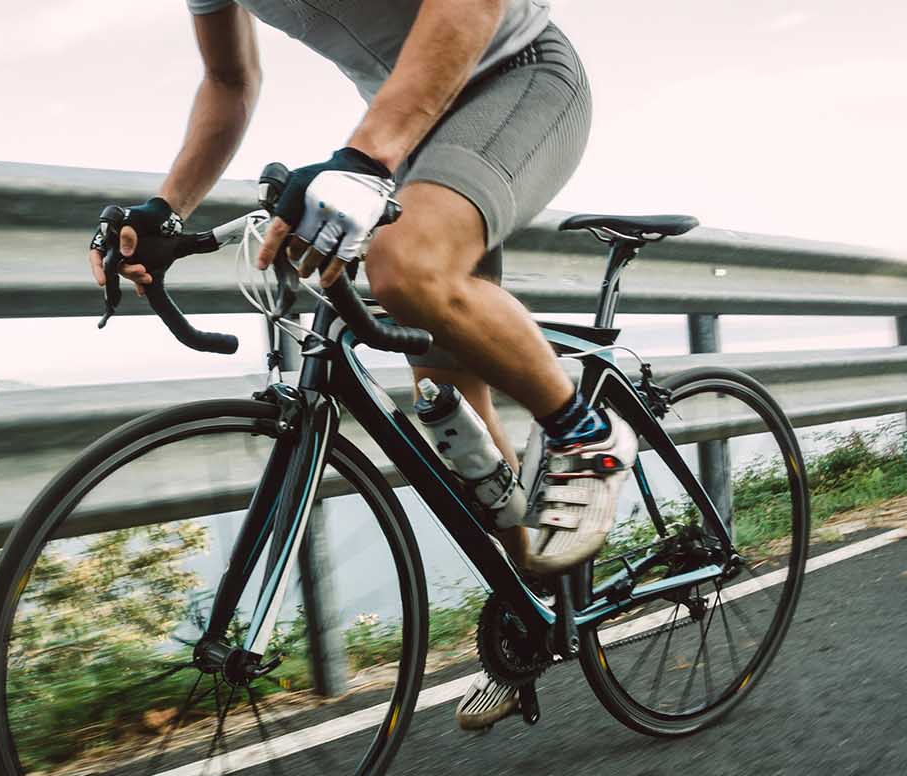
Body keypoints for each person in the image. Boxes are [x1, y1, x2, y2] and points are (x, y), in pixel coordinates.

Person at [89, 0, 637, 730]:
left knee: (403, 268)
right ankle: (533, 611)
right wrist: (165, 208)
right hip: (419, 121)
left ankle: (584, 433)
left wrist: (365, 160)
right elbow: (228, 79)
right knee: (447, 406)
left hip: (515, 71)